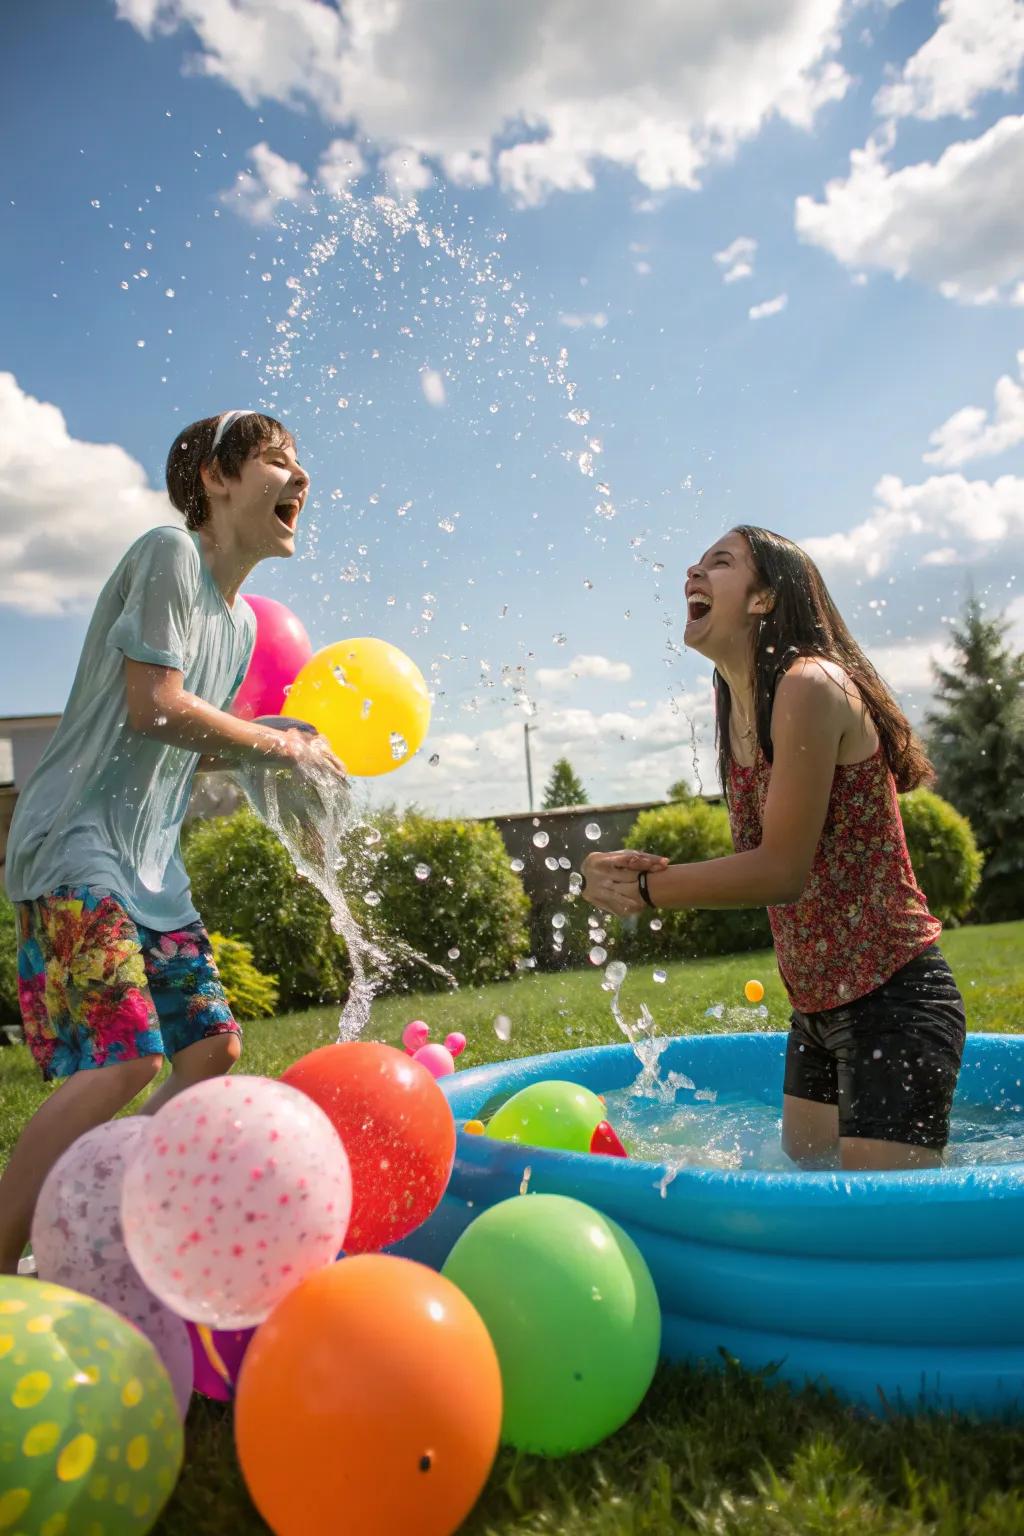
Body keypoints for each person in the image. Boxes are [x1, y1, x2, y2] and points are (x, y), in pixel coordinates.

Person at [0, 409, 345, 1274]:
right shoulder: (169, 554)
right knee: (126, 1063)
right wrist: (273, 743)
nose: (301, 478)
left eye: (301, 462)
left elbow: (184, 751)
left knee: (212, 1055)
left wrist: (279, 752)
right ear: (216, 480)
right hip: (76, 846)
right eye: (276, 460)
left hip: (152, 869)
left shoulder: (238, 627)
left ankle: (99, 1224)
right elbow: (152, 706)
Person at [581, 525, 966, 1173]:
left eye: (720, 564)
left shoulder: (811, 684)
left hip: (895, 1001)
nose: (692, 574)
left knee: (875, 1234)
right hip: (816, 1007)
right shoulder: (734, 697)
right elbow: (758, 863)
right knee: (806, 1193)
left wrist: (645, 890)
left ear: (763, 599)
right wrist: (638, 871)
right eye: (696, 564)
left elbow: (781, 871)